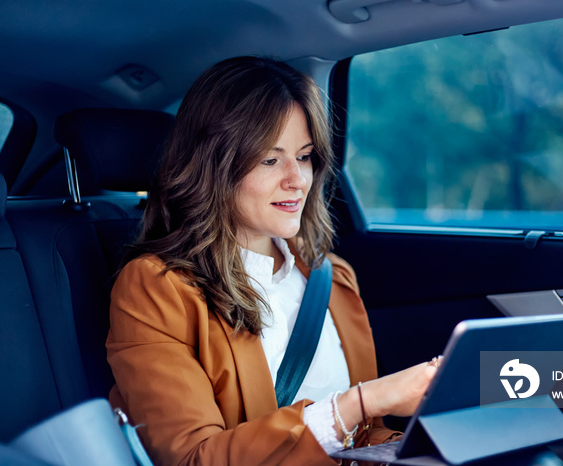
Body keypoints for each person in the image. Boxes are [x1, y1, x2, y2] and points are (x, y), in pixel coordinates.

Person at [106, 56, 439, 466]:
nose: (297, 179)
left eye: (304, 156)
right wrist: (361, 402)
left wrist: (432, 442)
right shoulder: (156, 287)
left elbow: (363, 438)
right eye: (269, 159)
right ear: (213, 165)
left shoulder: (332, 278)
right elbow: (192, 458)